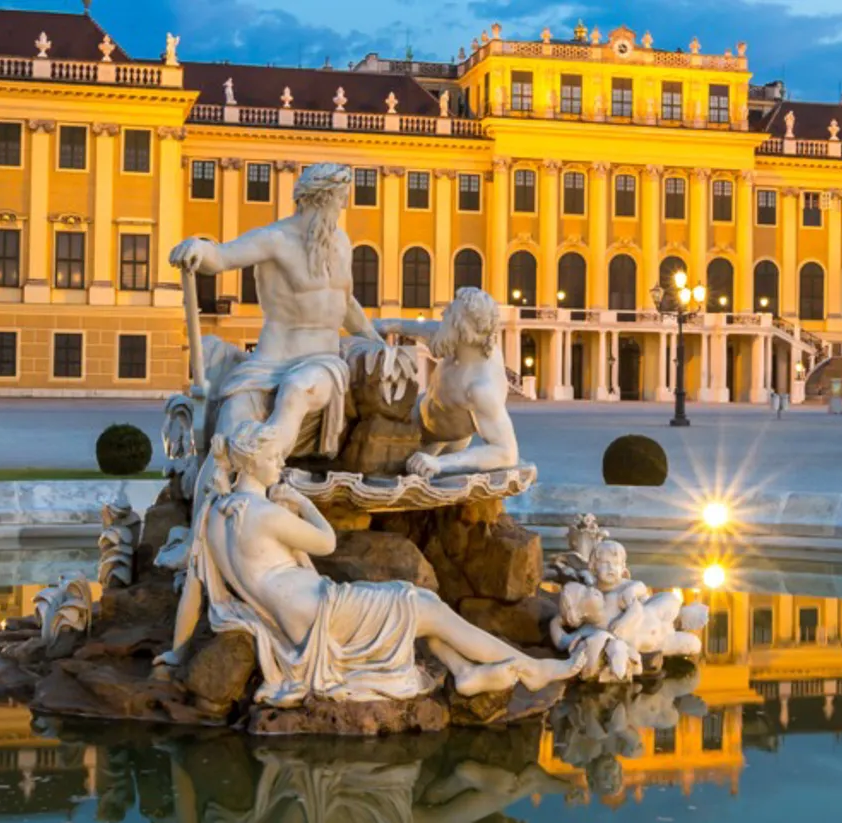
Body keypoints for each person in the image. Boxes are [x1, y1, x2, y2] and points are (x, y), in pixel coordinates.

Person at [156, 420, 587, 703]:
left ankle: (464, 671)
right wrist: (303, 503)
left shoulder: (214, 514)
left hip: (302, 615)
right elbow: (325, 543)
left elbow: (193, 592)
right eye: (274, 459)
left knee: (420, 611)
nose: (280, 465)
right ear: (253, 461)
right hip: (322, 613)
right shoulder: (265, 514)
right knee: (422, 605)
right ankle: (531, 669)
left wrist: (177, 654)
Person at [168, 163, 395, 468]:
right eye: (341, 197)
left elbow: (345, 302)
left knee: (297, 389)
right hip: (267, 364)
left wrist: (376, 342)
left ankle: (260, 469)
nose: (344, 204)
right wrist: (198, 247)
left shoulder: (341, 244)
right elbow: (222, 257)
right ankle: (212, 500)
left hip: (321, 363)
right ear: (323, 198)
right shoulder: (275, 239)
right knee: (229, 425)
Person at [373, 287, 520, 478]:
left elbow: (506, 453)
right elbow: (427, 329)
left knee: (377, 469)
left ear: (463, 329)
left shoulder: (481, 388)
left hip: (434, 442)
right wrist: (384, 325)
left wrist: (440, 463)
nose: (442, 314)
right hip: (416, 413)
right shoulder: (461, 343)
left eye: (449, 315)